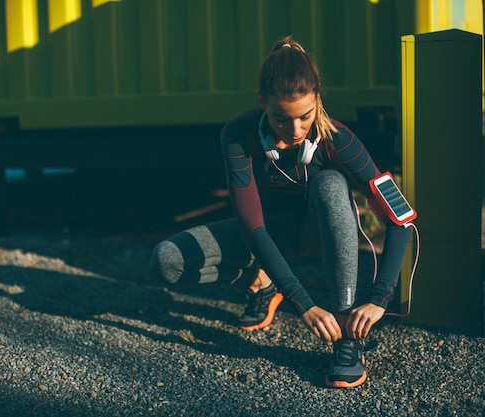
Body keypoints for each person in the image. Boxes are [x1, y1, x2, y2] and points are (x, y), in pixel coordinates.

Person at [150, 36, 413, 388]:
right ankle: (262, 283)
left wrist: (380, 298)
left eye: (305, 117)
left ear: (318, 98)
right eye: (279, 119)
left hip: (319, 234)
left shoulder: (340, 139)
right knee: (166, 261)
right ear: (262, 103)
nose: (294, 131)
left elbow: (401, 219)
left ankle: (346, 333)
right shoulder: (238, 137)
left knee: (332, 184)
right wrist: (302, 302)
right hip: (265, 237)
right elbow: (252, 227)